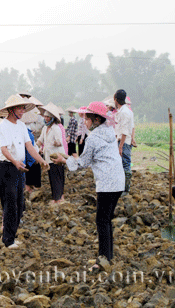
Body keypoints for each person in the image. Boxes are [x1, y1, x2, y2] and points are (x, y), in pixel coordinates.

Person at [51, 101, 124, 267]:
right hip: (118, 181)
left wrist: (64, 160)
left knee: (102, 220)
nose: (85, 121)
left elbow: (82, 163)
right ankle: (108, 256)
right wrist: (69, 159)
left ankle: (103, 259)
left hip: (106, 183)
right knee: (107, 219)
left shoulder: (93, 139)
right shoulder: (109, 132)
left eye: (87, 118)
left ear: (96, 119)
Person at [0, 95, 48, 249]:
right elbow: (4, 149)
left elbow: (29, 146)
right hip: (7, 168)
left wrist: (41, 160)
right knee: (10, 204)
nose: (22, 111)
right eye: (19, 108)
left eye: (23, 108)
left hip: (20, 168)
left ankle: (11, 236)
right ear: (11, 110)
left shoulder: (21, 126)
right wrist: (14, 161)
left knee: (20, 204)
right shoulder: (3, 126)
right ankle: (8, 240)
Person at [36, 102, 66, 205]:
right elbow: (40, 140)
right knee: (52, 178)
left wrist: (50, 142)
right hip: (48, 157)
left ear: (52, 118)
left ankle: (57, 199)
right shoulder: (45, 128)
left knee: (57, 178)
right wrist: (35, 146)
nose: (46, 119)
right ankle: (57, 197)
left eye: (48, 117)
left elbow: (59, 142)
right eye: (45, 116)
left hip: (56, 156)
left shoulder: (56, 128)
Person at [114, 89, 134, 195]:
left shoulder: (124, 112)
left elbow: (125, 131)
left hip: (124, 142)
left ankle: (125, 189)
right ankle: (122, 187)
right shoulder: (125, 111)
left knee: (125, 164)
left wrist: (120, 146)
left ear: (116, 100)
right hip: (123, 141)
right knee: (122, 164)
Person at [21, 110, 41, 194]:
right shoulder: (27, 132)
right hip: (29, 159)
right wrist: (35, 158)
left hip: (27, 158)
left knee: (28, 179)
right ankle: (30, 192)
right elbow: (29, 148)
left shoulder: (25, 131)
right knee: (29, 180)